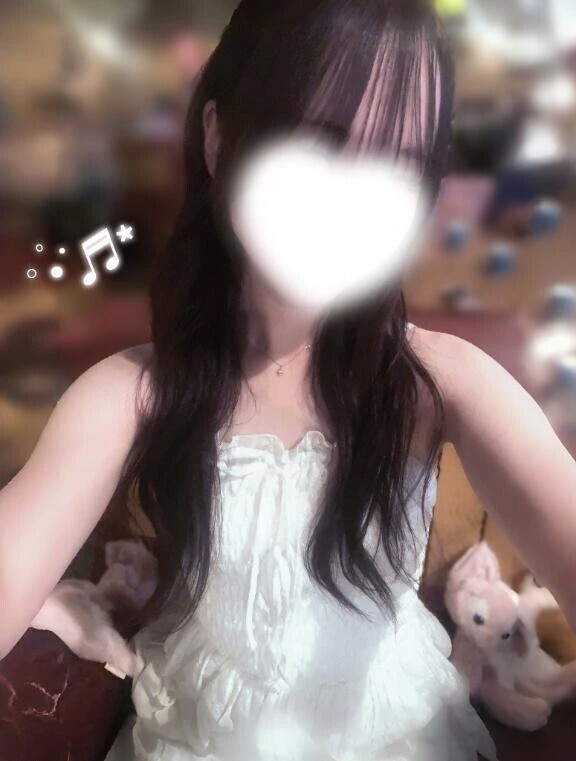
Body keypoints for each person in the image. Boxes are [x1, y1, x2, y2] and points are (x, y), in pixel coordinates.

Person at [1, 1, 576, 759]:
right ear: (219, 137)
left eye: (399, 166)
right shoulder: (129, 392)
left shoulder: (441, 381)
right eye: (317, 144)